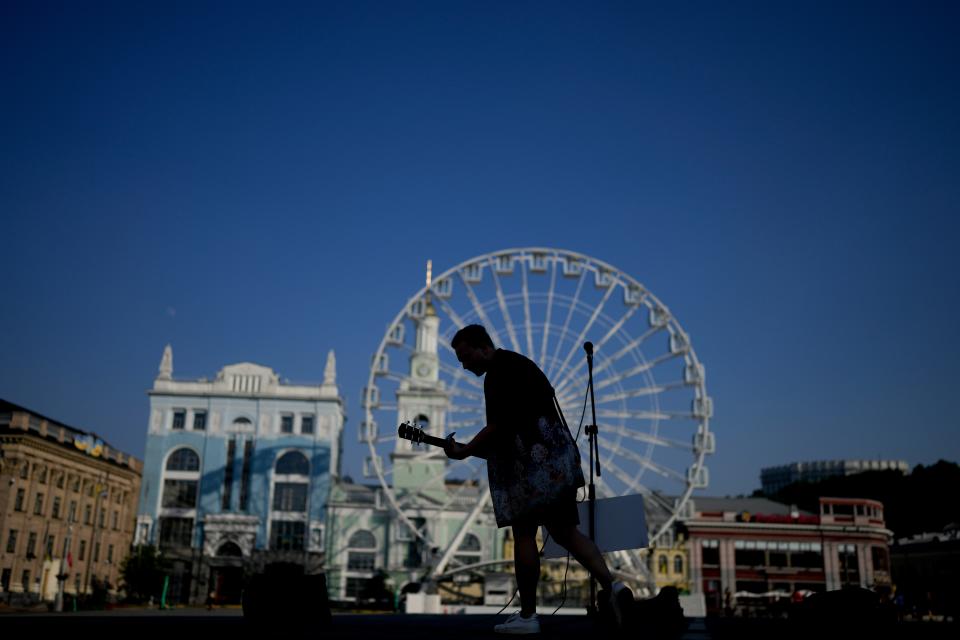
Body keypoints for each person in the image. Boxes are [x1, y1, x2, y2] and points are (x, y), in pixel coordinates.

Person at [444, 324, 632, 634]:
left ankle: (529, 616)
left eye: (466, 357)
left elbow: (499, 428)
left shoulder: (497, 376)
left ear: (483, 347)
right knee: (566, 532)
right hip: (558, 460)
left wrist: (465, 451)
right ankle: (613, 587)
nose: (464, 365)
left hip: (532, 467)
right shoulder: (524, 364)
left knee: (524, 535)